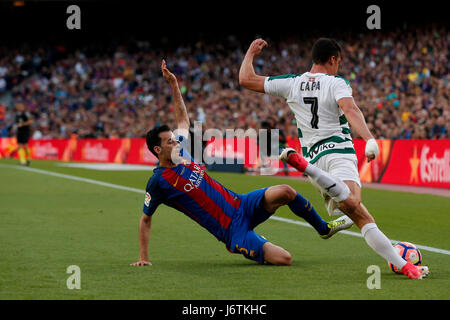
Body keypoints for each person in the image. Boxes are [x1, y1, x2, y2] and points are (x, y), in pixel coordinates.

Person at [238, 38, 429, 279]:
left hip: (315, 159)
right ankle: (307, 169)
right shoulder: (336, 82)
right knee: (354, 203)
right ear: (333, 59)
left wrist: (250, 54)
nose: (339, 66)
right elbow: (350, 110)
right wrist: (369, 138)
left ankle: (404, 266)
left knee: (355, 213)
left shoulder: (291, 83)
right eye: (339, 61)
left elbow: (246, 79)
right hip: (338, 152)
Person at [131, 60, 351, 267]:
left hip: (241, 204)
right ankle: (253, 242)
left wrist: (174, 83)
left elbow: (183, 120)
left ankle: (323, 228)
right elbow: (145, 219)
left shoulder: (182, 151)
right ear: (158, 150)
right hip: (230, 230)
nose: (176, 142)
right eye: (169, 142)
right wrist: (143, 257)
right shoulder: (158, 181)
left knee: (286, 191)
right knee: (285, 259)